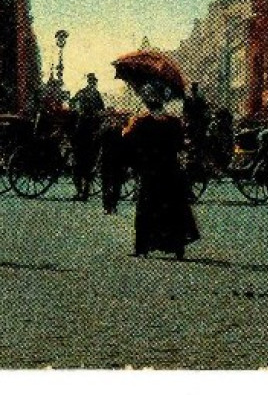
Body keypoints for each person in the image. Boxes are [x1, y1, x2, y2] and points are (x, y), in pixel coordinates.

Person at [124, 108, 200, 259]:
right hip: (170, 170)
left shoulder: (141, 122)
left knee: (145, 209)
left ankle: (142, 247)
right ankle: (178, 246)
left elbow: (129, 140)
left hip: (151, 171)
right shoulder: (173, 122)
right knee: (175, 208)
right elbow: (181, 145)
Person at [70, 74, 106, 202]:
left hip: (83, 135)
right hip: (92, 135)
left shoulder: (82, 93)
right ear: (94, 82)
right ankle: (84, 192)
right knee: (88, 167)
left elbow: (72, 103)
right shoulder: (96, 95)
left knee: (78, 167)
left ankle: (81, 192)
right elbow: (102, 111)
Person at [98, 114, 128, 214]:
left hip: (118, 161)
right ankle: (107, 206)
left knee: (116, 185)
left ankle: (113, 205)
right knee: (106, 184)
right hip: (107, 159)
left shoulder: (123, 131)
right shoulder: (106, 130)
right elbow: (99, 140)